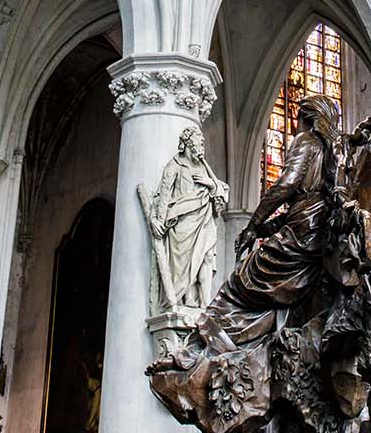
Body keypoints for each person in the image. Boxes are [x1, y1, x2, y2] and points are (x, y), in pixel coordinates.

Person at [200, 93, 341, 349]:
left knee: (242, 281)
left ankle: (221, 342)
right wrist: (263, 228)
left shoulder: (306, 141)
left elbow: (286, 186)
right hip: (315, 231)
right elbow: (299, 208)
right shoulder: (332, 152)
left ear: (306, 120)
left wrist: (253, 224)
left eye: (297, 119)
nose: (294, 125)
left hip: (302, 234)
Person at [144, 127, 230, 312]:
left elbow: (221, 189)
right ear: (189, 144)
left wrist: (209, 184)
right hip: (182, 222)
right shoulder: (175, 166)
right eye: (199, 142)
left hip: (204, 217)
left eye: (202, 143)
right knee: (184, 262)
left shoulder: (204, 167)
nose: (202, 146)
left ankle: (205, 304)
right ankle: (186, 298)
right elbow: (163, 196)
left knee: (207, 257)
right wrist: (156, 220)